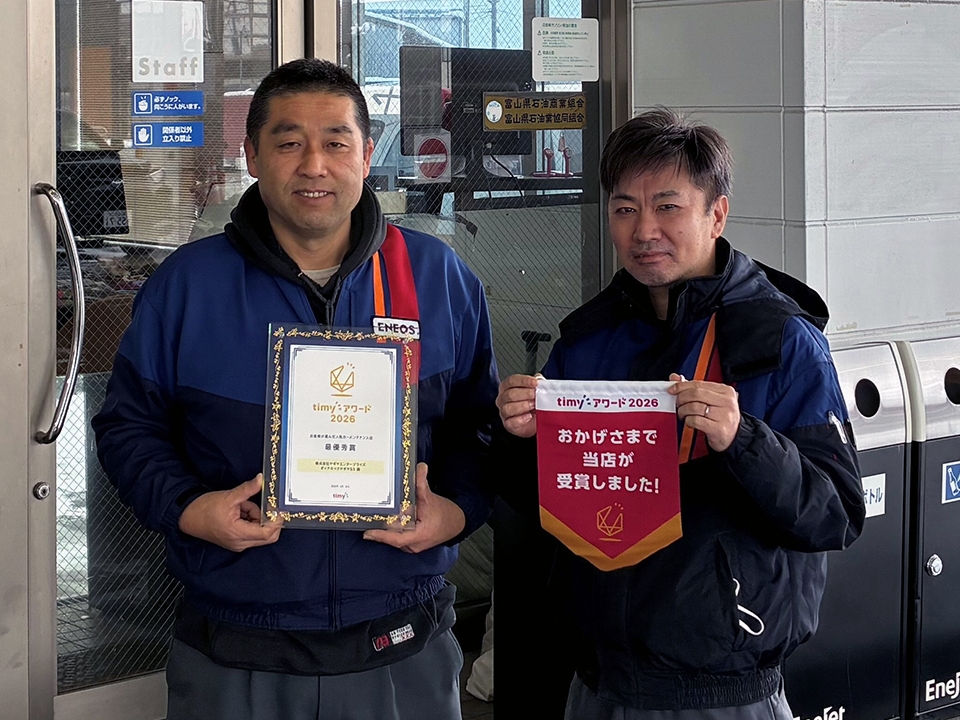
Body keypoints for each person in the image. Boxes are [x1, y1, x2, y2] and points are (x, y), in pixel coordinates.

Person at [92, 58, 499, 720]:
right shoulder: (188, 286)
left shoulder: (439, 278)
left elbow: (478, 426)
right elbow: (128, 428)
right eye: (288, 143)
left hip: (402, 638)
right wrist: (188, 509)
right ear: (252, 156)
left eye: (336, 142)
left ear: (366, 154)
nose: (314, 165)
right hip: (234, 644)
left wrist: (457, 512)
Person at [496, 108, 865, 720]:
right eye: (624, 209)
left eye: (667, 206)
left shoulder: (779, 340)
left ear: (716, 214)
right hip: (597, 685)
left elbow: (836, 514)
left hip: (725, 693)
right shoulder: (587, 340)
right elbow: (538, 502)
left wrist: (742, 439)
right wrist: (520, 438)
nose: (644, 230)